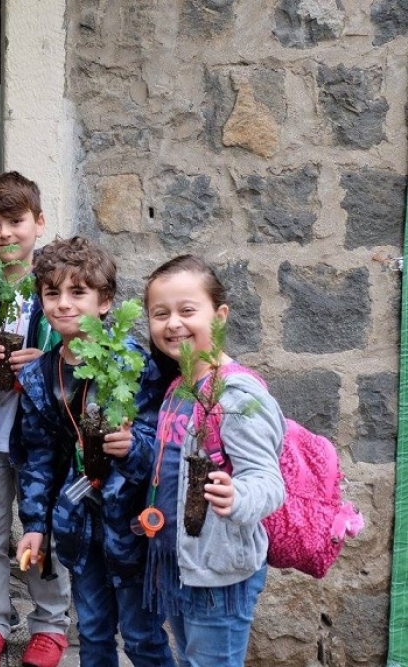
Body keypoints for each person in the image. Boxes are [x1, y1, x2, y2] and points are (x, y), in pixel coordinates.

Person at [14, 237, 177, 667]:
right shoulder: (37, 375)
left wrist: (132, 446)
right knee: (91, 631)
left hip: (132, 526)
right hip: (77, 524)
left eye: (77, 292)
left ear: (105, 302)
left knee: (142, 636)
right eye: (52, 293)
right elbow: (38, 457)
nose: (63, 304)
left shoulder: (135, 364)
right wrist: (35, 523)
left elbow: (159, 445)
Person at [139, 254, 285, 667]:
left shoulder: (237, 395)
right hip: (182, 564)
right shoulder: (180, 388)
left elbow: (268, 482)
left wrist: (237, 496)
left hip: (219, 575)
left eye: (187, 310)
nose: (172, 324)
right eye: (160, 313)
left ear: (219, 316)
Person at [0, 172, 71, 667]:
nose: (5, 233)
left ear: (39, 222)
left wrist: (44, 358)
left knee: (39, 529)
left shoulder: (55, 285)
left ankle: (50, 624)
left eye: (16, 221)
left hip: (39, 435)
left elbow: (80, 344)